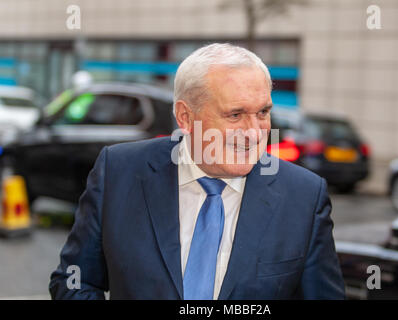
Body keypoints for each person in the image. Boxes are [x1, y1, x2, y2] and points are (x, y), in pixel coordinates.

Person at [49, 43, 345, 300]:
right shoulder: (118, 172)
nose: (255, 133)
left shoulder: (304, 197)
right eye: (236, 114)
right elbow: (74, 280)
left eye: (263, 113)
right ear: (185, 117)